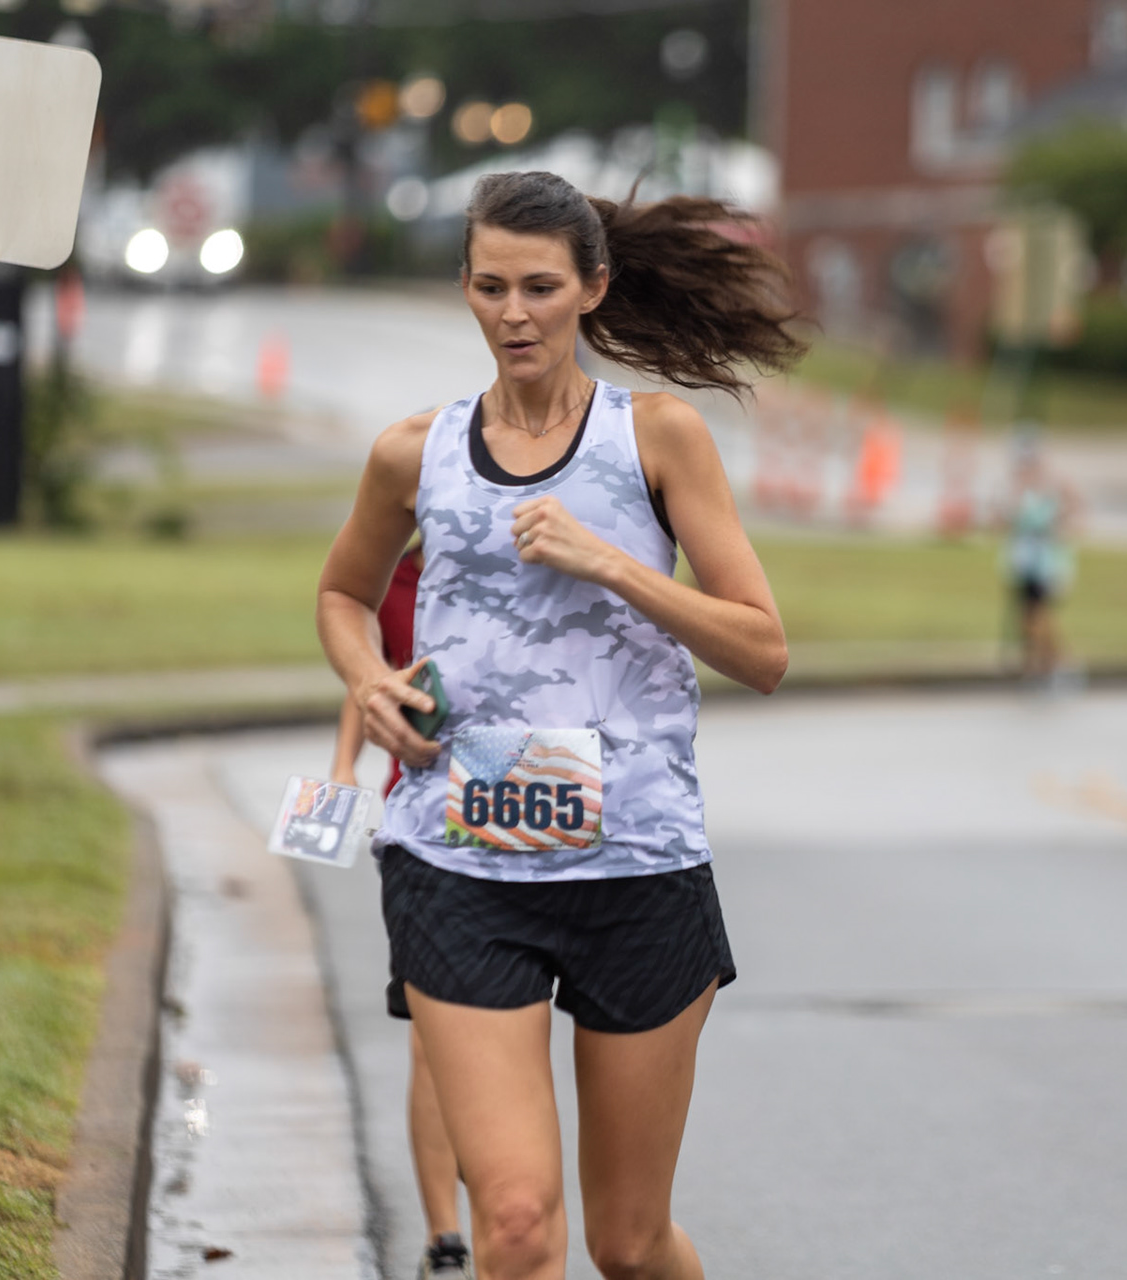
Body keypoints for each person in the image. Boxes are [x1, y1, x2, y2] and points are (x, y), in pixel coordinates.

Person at [316, 170, 801, 1280]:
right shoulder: (414, 451)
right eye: (490, 287)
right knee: (520, 1221)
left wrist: (612, 562)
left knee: (628, 1243)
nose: (514, 314)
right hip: (461, 859)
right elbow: (343, 592)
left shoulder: (658, 438)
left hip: (636, 863)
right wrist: (370, 677)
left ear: (593, 287)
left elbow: (763, 650)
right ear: (464, 287)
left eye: (539, 287)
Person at [329, 543, 475, 1280]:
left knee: (499, 1043)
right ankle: (445, 1240)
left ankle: (505, 1210)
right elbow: (374, 677)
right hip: (422, 822)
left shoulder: (519, 544)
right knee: (432, 1041)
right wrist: (342, 767)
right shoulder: (390, 574)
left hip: (521, 810)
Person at [998, 434, 1082, 685]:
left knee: (1040, 617)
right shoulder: (1016, 487)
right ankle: (1036, 666)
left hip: (1048, 564)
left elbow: (1075, 509)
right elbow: (1002, 520)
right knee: (1026, 619)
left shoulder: (1054, 483)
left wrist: (1057, 523)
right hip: (1025, 563)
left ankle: (1058, 663)